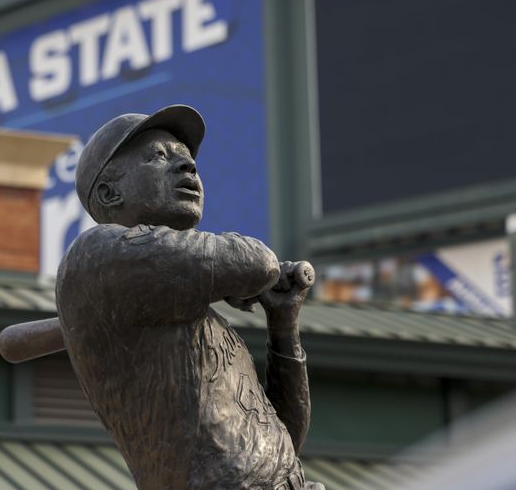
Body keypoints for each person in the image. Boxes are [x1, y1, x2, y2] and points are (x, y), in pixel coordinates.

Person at [56, 105, 324, 489]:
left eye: (187, 160)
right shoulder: (96, 253)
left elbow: (284, 439)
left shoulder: (199, 317)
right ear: (108, 192)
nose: (188, 168)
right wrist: (236, 279)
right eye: (160, 157)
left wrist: (282, 325)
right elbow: (259, 263)